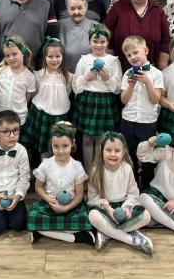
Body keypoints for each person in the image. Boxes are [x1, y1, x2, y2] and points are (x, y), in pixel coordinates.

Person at [27, 122, 95, 246]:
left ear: (72, 143)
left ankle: (42, 232)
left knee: (85, 219)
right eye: (56, 146)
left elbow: (79, 195)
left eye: (65, 146)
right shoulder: (46, 164)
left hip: (72, 205)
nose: (60, 151)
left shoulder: (77, 167)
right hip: (50, 204)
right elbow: (38, 187)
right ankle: (76, 236)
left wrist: (66, 208)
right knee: (32, 217)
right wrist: (48, 199)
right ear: (51, 145)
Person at [87, 132, 153, 254]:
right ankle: (131, 239)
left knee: (147, 216)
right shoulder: (96, 171)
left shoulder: (127, 168)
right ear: (102, 151)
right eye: (108, 150)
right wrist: (108, 209)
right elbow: (93, 198)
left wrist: (127, 208)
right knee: (93, 216)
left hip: (124, 206)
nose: (113, 154)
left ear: (123, 153)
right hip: (106, 208)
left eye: (117, 151)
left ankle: (108, 233)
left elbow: (133, 193)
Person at [72, 23, 122, 168]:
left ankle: (99, 172)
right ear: (89, 42)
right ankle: (88, 171)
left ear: (107, 43)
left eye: (102, 42)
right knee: (87, 139)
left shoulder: (113, 61)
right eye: (95, 41)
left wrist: (107, 79)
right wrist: (86, 78)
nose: (99, 45)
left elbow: (117, 89)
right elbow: (76, 87)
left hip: (105, 102)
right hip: (87, 100)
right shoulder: (84, 60)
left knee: (102, 139)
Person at [119, 35, 164, 189]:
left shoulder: (156, 74)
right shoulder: (127, 74)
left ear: (145, 50)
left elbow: (155, 99)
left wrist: (147, 83)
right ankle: (131, 188)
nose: (132, 57)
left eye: (135, 52)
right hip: (128, 121)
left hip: (148, 122)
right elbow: (123, 100)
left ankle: (146, 189)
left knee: (147, 158)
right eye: (128, 55)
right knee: (128, 156)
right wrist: (131, 86)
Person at [105, 0, 170, 72]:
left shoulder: (158, 11)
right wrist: (109, 67)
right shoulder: (117, 9)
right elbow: (107, 37)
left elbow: (165, 41)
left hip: (151, 71)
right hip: (121, 70)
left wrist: (162, 68)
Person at [0, 110, 31, 236]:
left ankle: (8, 217)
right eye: (6, 132)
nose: (12, 135)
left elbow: (24, 177)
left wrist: (18, 195)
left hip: (13, 194)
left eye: (15, 130)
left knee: (19, 225)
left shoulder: (21, 151)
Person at [22, 38, 71, 160]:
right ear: (45, 57)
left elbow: (68, 92)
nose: (54, 60)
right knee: (41, 143)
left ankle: (54, 165)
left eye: (57, 56)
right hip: (41, 113)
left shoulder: (68, 76)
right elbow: (35, 93)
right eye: (50, 56)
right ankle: (41, 165)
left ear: (63, 57)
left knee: (56, 143)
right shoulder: (38, 75)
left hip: (59, 115)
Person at [0, 35, 37, 126]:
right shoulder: (1, 71)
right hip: (0, 114)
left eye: (14, 54)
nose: (11, 58)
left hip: (18, 117)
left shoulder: (30, 77)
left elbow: (27, 98)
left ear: (23, 52)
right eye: (7, 55)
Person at [58, 0, 92, 73]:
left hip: (89, 75)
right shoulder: (58, 26)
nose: (76, 12)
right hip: (64, 74)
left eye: (80, 8)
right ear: (67, 9)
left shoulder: (95, 26)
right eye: (72, 9)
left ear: (86, 8)